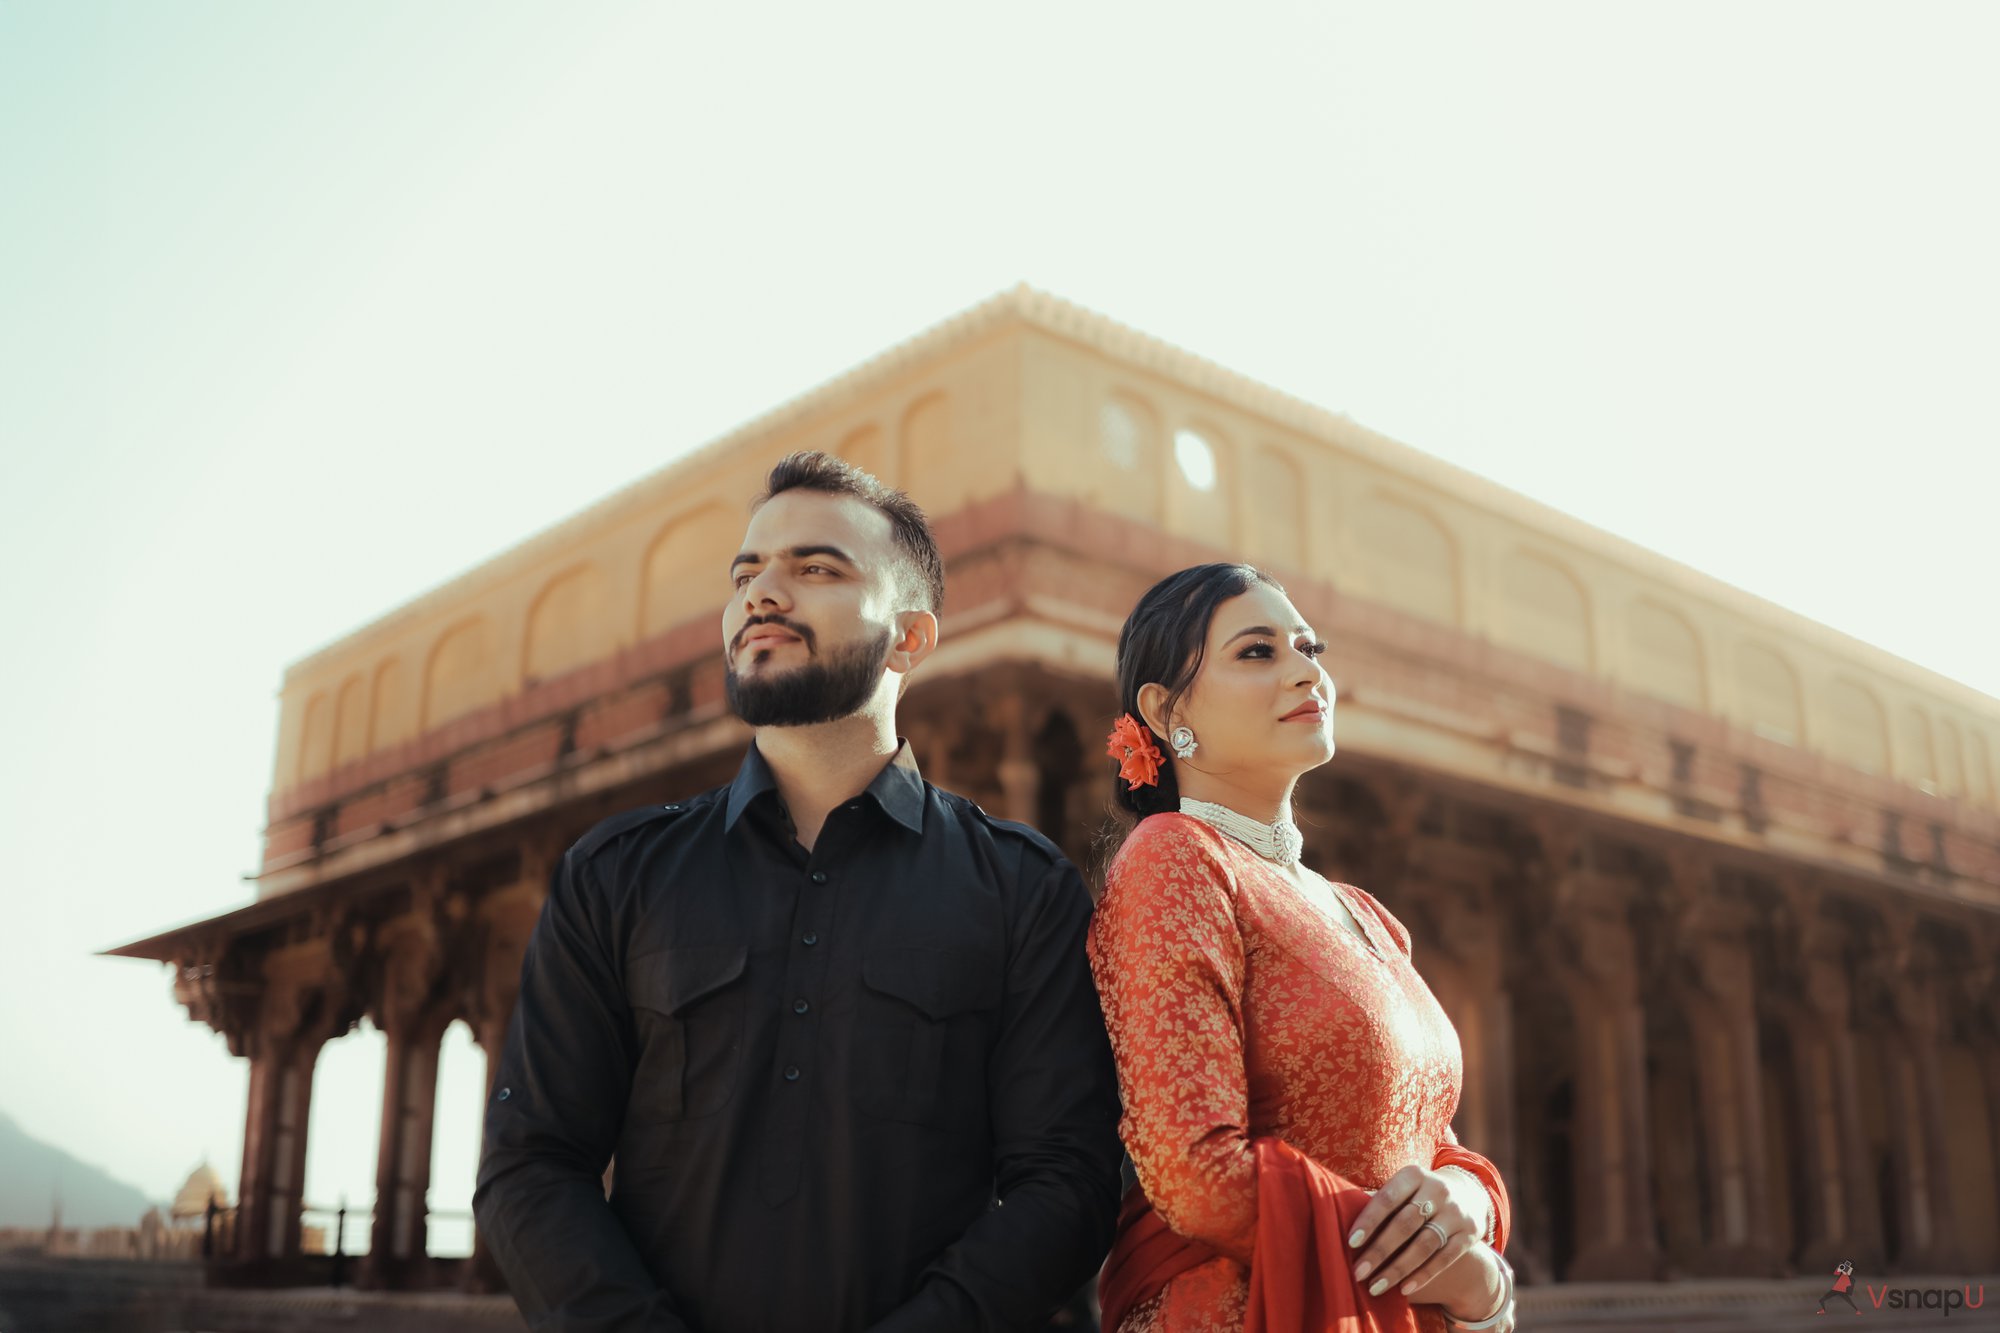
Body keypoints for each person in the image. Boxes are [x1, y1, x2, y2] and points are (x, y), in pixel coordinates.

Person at [473, 451, 1124, 1332]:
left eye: (815, 568)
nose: (762, 594)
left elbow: (1067, 1181)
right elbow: (531, 1163)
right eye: (746, 573)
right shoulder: (615, 874)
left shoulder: (1023, 889)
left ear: (910, 636)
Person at [1087, 563, 1516, 1333]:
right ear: (1164, 707)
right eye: (1258, 652)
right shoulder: (1176, 857)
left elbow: (1430, 1141)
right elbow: (1192, 1172)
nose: (1305, 671)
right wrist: (1450, 1271)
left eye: (1309, 647)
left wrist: (1472, 1204)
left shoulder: (1366, 915)